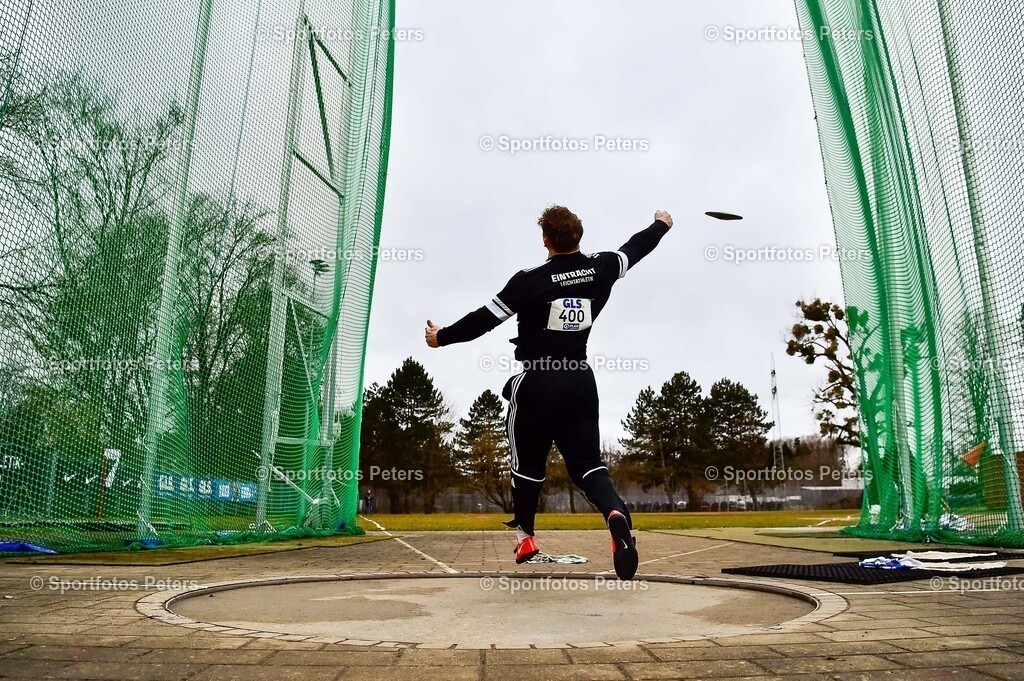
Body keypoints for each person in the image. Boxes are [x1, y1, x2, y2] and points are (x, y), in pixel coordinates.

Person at [425, 206, 673, 580]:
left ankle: (526, 538)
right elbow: (636, 248)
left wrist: (441, 337)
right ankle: (615, 514)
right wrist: (661, 224)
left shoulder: (530, 281)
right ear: (579, 236)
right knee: (589, 466)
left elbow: (484, 320)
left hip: (538, 380)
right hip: (579, 380)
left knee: (527, 469)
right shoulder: (602, 267)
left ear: (545, 240)